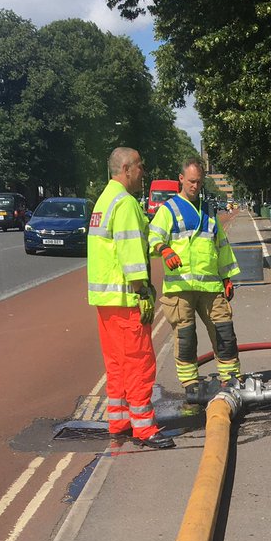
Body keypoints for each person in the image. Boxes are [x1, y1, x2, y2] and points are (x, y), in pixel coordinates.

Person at [87, 146, 174, 450]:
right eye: (139, 166)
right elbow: (131, 254)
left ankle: (120, 420)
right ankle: (145, 428)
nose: (143, 172)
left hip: (106, 301)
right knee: (139, 363)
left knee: (117, 364)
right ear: (125, 169)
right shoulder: (124, 204)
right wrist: (143, 291)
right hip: (126, 299)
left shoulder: (104, 200)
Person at [148, 157, 242, 397]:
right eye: (191, 181)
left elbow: (221, 245)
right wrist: (164, 249)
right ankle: (190, 382)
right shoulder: (168, 210)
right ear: (181, 179)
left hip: (210, 287)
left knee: (224, 331)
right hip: (180, 288)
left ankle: (231, 377)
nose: (195, 186)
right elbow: (152, 238)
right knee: (186, 336)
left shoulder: (208, 211)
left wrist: (227, 277)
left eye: (199, 182)